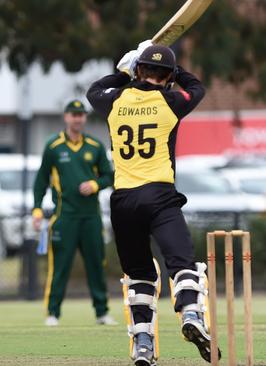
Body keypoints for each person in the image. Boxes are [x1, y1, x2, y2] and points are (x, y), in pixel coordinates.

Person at [87, 42, 214, 365]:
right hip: (158, 195)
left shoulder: (115, 100)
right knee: (182, 263)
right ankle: (191, 314)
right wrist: (174, 70)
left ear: (139, 71)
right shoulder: (171, 101)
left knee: (140, 273)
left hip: (123, 201)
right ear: (168, 77)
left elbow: (94, 91)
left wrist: (123, 72)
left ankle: (143, 341)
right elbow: (196, 87)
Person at [32, 99, 117, 327]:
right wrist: (37, 209)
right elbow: (41, 181)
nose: (77, 118)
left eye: (81, 114)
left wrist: (95, 185)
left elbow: (109, 176)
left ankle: (102, 312)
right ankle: (52, 313)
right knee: (59, 266)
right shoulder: (54, 146)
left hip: (91, 216)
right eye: (73, 114)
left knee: (96, 265)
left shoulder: (94, 146)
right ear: (66, 117)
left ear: (84, 118)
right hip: (64, 216)